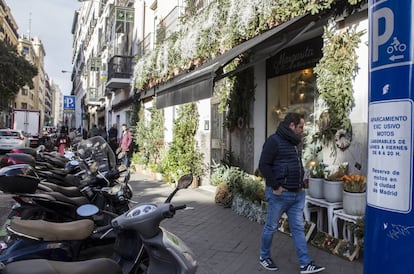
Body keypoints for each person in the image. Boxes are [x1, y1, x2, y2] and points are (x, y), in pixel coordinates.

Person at [258, 112, 325, 273]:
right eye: (301, 127)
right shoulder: (273, 141)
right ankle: (264, 256)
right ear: (292, 126)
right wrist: (275, 186)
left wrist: (301, 183)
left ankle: (305, 263)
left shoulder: (296, 143)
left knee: (298, 228)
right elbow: (263, 165)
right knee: (271, 227)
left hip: (296, 195)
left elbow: (297, 165)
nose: (303, 130)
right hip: (279, 195)